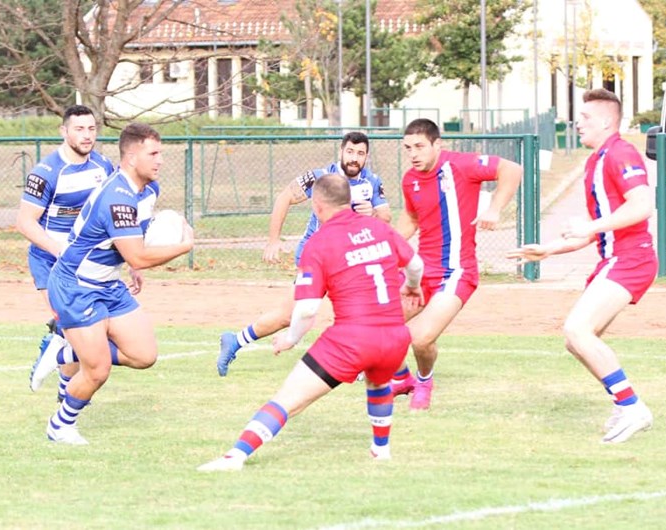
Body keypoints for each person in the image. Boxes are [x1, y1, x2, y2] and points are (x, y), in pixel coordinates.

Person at [198, 173, 424, 471]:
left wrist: (292, 338)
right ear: (350, 200)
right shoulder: (378, 228)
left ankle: (235, 456)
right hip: (395, 337)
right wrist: (412, 285)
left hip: (352, 338)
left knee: (288, 400)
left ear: (317, 206)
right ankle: (380, 451)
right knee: (378, 381)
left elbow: (306, 309)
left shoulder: (319, 243)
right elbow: (415, 264)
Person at [507, 88, 656, 444]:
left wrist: (590, 227)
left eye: (586, 118)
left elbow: (642, 205)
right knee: (576, 342)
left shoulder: (621, 152)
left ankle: (633, 407)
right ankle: (624, 405)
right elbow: (591, 232)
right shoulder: (596, 160)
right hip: (617, 258)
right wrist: (548, 250)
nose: (578, 124)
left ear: (606, 121)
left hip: (631, 257)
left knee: (577, 329)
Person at [31, 123, 194, 445]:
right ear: (132, 158)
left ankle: (66, 351)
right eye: (154, 153)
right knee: (97, 370)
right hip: (76, 285)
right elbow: (139, 256)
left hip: (109, 283)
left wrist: (133, 261)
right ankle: (60, 426)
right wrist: (183, 246)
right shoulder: (116, 198)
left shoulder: (148, 190)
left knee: (144, 355)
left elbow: (132, 244)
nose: (160, 160)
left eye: (161, 153)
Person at [216, 131, 391, 377]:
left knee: (363, 308)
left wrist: (371, 213)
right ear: (341, 151)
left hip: (351, 259)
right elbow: (285, 197)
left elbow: (386, 217)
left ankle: (365, 362)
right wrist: (273, 240)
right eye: (350, 152)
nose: (354, 158)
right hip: (318, 257)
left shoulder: (371, 182)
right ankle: (235, 341)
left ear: (366, 157)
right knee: (288, 316)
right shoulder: (320, 177)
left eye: (360, 154)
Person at [392, 118, 523, 410]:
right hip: (422, 273)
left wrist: (494, 208)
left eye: (419, 147)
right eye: (408, 148)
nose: (413, 154)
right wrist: (387, 248)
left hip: (456, 272)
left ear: (438, 145)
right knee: (377, 325)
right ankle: (402, 379)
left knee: (421, 338)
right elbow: (412, 219)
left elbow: (512, 169)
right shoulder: (410, 179)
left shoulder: (461, 165)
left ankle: (424, 381)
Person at [16, 104, 114, 402]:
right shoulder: (46, 172)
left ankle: (62, 384)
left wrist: (130, 261)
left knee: (83, 331)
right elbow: (24, 222)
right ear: (64, 131)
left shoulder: (104, 167)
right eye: (79, 129)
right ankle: (60, 362)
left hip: (86, 263)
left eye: (91, 129)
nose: (87, 136)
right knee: (76, 327)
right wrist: (60, 250)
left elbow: (110, 216)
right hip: (50, 261)